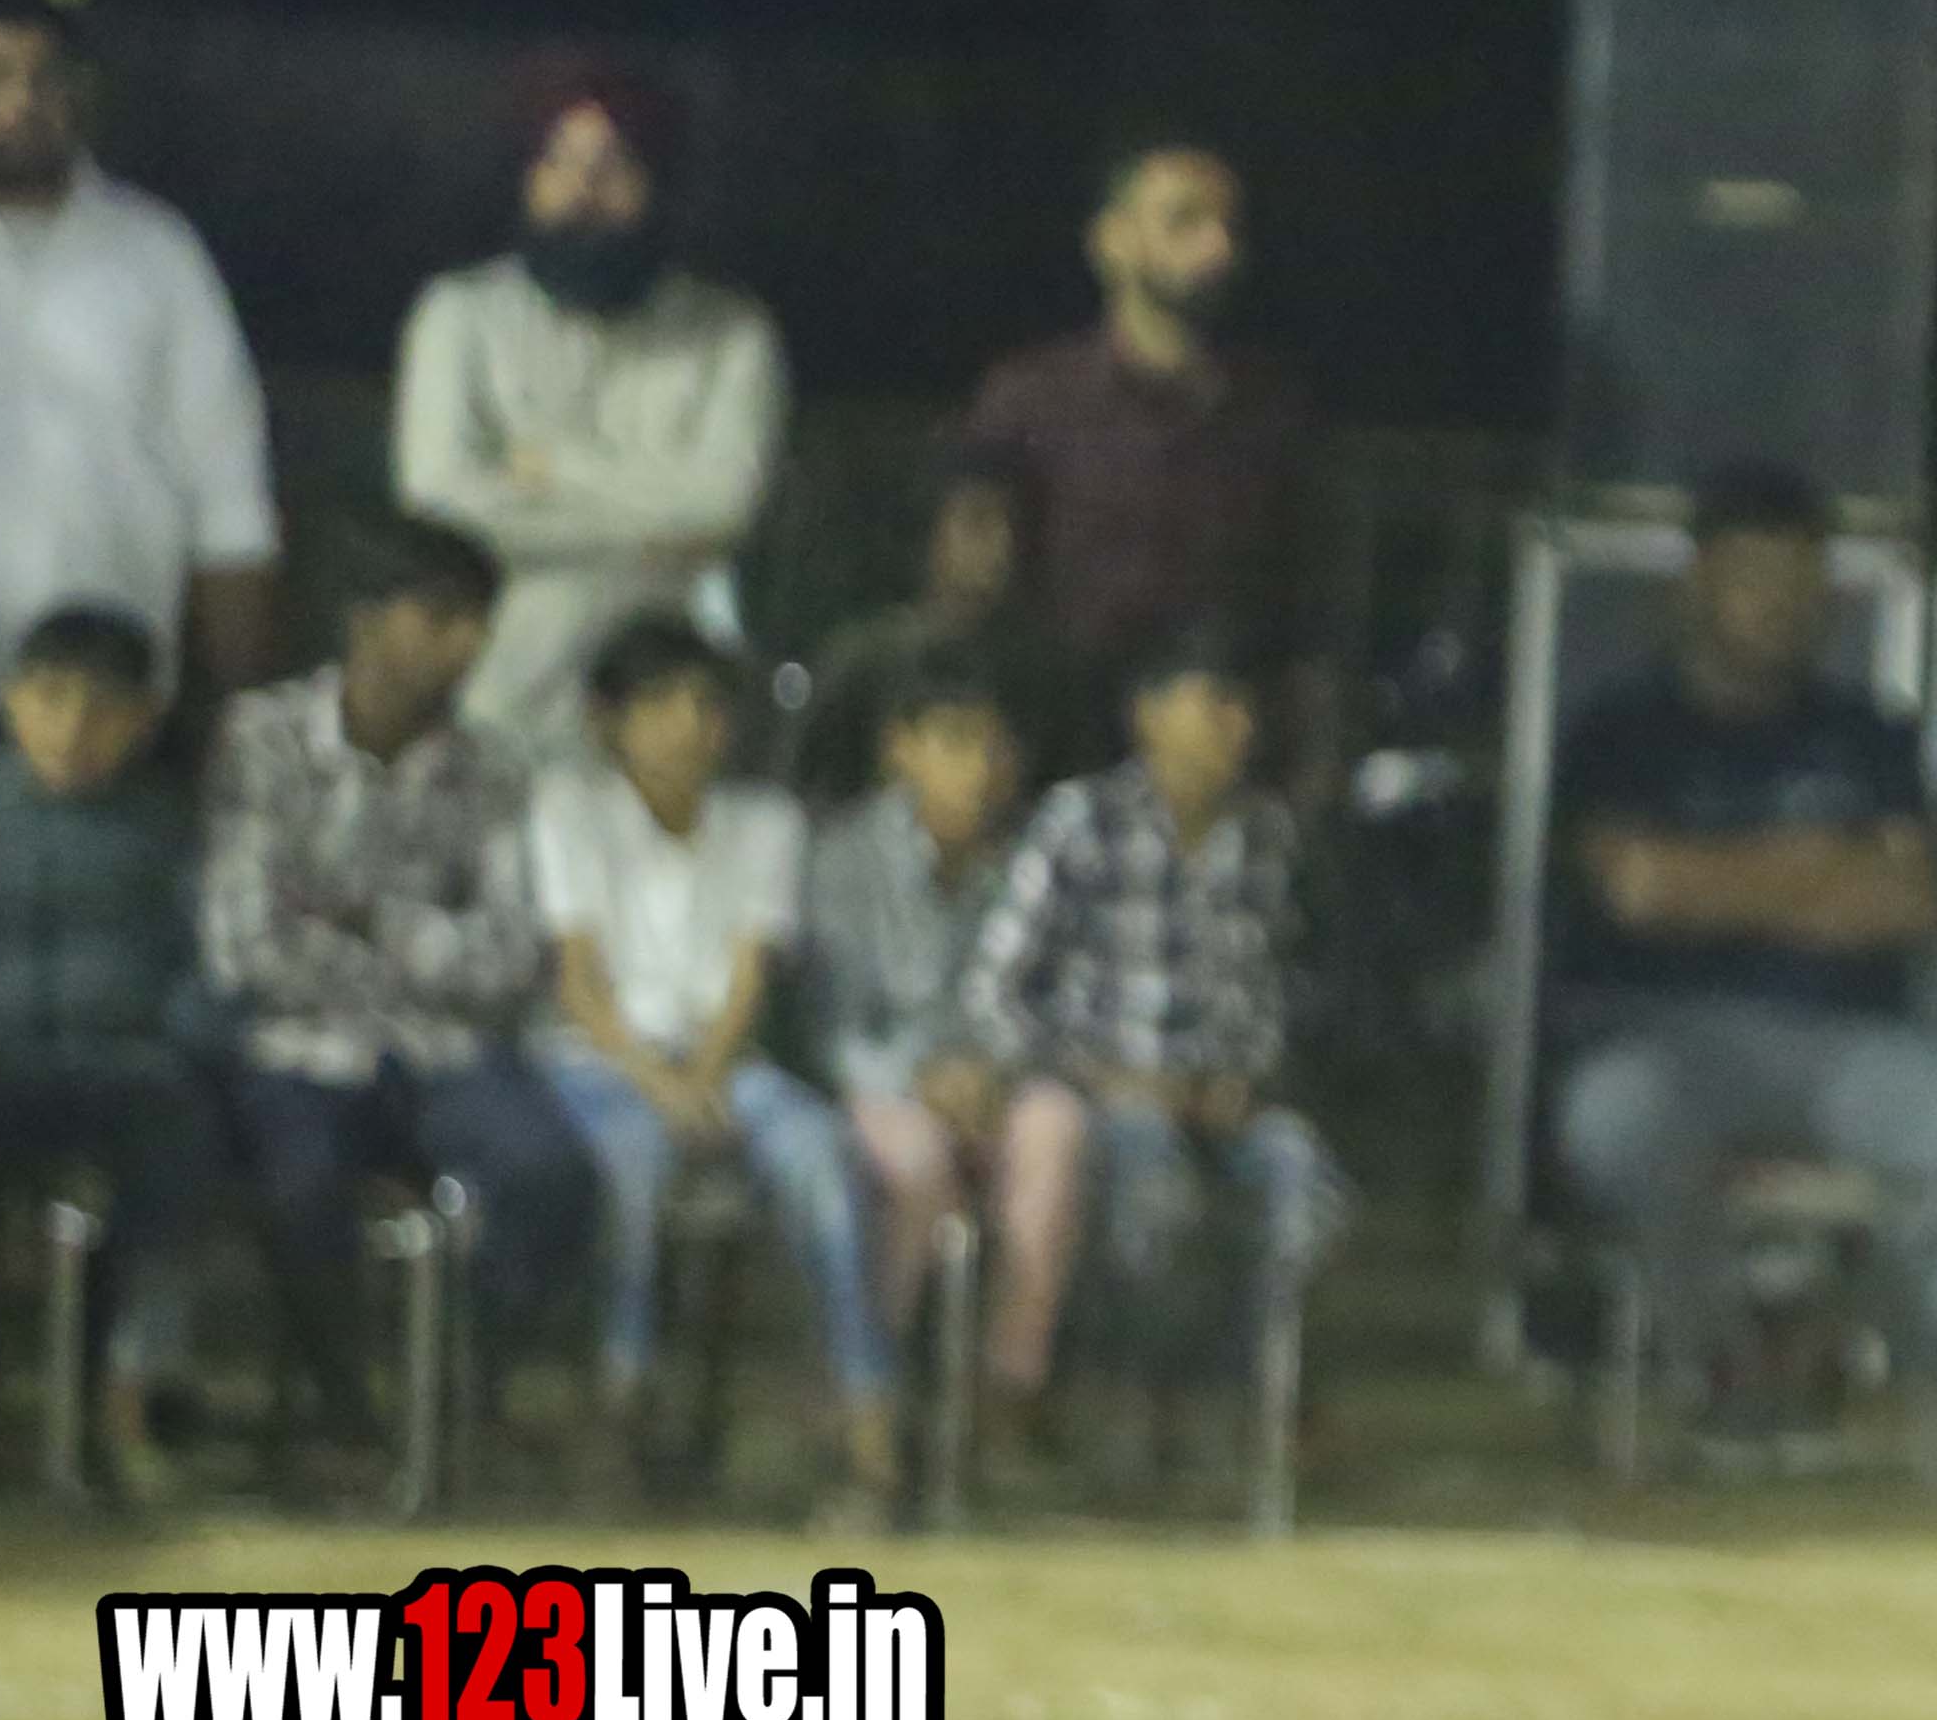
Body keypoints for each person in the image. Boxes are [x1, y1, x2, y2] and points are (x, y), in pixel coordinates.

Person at [1543, 459, 1937, 1434]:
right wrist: (1820, 865)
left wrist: (1713, 880)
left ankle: (1848, 1351)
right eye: (1751, 578)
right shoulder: (1623, 734)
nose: (1776, 604)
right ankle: (1721, 1358)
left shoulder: (1871, 735)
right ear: (1697, 585)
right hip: (1667, 1032)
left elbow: (1911, 902)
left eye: (1797, 581)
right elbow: (1638, 891)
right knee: (1612, 1119)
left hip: (1847, 1042)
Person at [196, 510, 597, 1474]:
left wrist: (368, 921)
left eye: (478, 623)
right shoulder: (264, 740)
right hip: (299, 1049)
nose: (467, 644)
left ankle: (454, 1391)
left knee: (551, 1174)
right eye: (441, 618)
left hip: (442, 1051)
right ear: (366, 620)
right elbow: (243, 947)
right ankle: (345, 1414)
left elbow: (510, 959)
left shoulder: (492, 768)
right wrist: (423, 945)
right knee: (297, 1186)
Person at [960, 624, 1345, 1460]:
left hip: (1222, 1102)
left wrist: (1248, 1078)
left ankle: (1256, 1394)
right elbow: (995, 990)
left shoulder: (1265, 835)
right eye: (1215, 703)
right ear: (1150, 716)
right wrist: (1101, 1076)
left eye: (1242, 708)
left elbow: (1273, 989)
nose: (1235, 726)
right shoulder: (1083, 821)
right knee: (1152, 1191)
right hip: (1108, 1096)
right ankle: (1135, 1397)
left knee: (1306, 1191)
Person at [526, 613, 884, 1501]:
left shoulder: (765, 823)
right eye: (659, 704)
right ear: (607, 721)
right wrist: (659, 1083)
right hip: (597, 1062)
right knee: (634, 1164)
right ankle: (620, 1403)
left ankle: (865, 1413)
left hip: (721, 1064)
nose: (686, 725)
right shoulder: (569, 810)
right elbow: (579, 984)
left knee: (821, 1155)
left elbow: (749, 978)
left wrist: (699, 1078)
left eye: (705, 705)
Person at [387, 67, 787, 752]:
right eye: (560, 163)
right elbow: (436, 500)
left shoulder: (731, 334)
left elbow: (724, 504)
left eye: (613, 165)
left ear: (657, 184)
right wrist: (658, 525)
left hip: (667, 711)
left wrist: (553, 468)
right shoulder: (458, 317)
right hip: (493, 701)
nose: (584, 189)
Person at [0, 0, 279, 726]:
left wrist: (241, 709)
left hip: (111, 699)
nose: (23, 100)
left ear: (81, 90)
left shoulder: (157, 252)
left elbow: (229, 490)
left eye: (47, 77)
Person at [0, 605, 215, 1495]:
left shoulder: (171, 827)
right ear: (9, 699)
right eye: (50, 698)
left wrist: (177, 1035)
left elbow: (211, 961)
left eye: (103, 708)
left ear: (145, 720)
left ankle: (125, 1397)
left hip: (122, 1071)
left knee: (181, 1127)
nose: (72, 730)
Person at [954, 138, 1309, 737]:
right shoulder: (1032, 398)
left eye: (1228, 226)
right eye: (1184, 220)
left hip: (1212, 730)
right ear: (1111, 241)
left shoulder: (1266, 409)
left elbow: (1301, 606)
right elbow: (971, 576)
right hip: (1056, 725)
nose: (1218, 247)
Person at [802, 642, 1039, 1375]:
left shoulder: (1024, 864)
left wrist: (991, 1073)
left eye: (995, 747)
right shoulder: (844, 860)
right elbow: (835, 1027)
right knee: (916, 1161)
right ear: (899, 748)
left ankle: (1009, 1380)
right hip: (877, 1088)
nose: (980, 769)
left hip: (986, 1087)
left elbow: (1039, 1002)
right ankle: (878, 1377)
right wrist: (922, 1079)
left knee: (1057, 1130)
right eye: (956, 743)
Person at [787, 445, 1088, 807]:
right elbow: (807, 787)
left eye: (1013, 526)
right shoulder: (863, 659)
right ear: (929, 531)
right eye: (977, 522)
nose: (1002, 544)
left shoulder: (1043, 667)